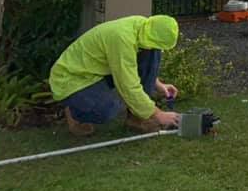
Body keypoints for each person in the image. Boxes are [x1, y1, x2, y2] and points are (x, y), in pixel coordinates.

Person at [49, 14, 182, 136]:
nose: (149, 46)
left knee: (153, 52)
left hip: (101, 70)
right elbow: (128, 85)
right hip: (73, 78)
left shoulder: (143, 26)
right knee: (108, 110)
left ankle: (137, 118)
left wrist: (157, 83)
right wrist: (158, 114)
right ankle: (75, 112)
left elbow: (131, 67)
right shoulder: (122, 38)